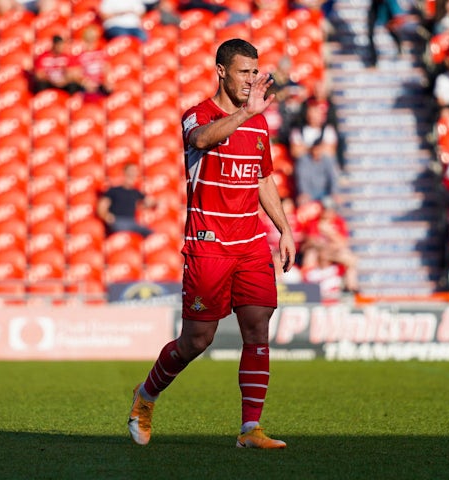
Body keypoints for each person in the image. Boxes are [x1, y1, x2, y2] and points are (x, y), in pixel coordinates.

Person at [127, 39, 296, 449]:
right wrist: (243, 114)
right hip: (208, 246)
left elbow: (263, 178)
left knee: (257, 330)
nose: (251, 80)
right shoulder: (198, 115)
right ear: (221, 71)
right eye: (243, 72)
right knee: (196, 341)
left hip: (251, 243)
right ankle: (145, 396)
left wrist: (285, 229)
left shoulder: (258, 123)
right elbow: (201, 140)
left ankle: (249, 429)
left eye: (255, 72)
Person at [290, 97, 341, 205]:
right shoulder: (298, 130)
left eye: (316, 112)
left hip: (323, 173)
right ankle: (304, 194)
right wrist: (314, 149)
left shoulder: (328, 129)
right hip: (307, 173)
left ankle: (333, 192)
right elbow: (295, 151)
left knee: (329, 160)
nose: (314, 116)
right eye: (311, 112)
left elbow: (331, 151)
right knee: (303, 160)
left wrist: (309, 149)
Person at [96, 162, 157, 237]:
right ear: (124, 173)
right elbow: (102, 206)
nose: (132, 175)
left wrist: (153, 203)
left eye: (134, 173)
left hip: (132, 222)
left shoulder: (136, 192)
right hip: (118, 221)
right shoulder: (113, 190)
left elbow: (149, 202)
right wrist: (107, 217)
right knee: (124, 230)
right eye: (130, 172)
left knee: (151, 234)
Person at [76, 25, 112, 102]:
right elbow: (76, 72)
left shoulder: (101, 52)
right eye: (89, 39)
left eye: (93, 38)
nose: (91, 41)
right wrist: (85, 82)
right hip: (85, 85)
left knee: (108, 89)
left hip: (100, 84)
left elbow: (107, 68)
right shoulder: (80, 54)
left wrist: (106, 81)